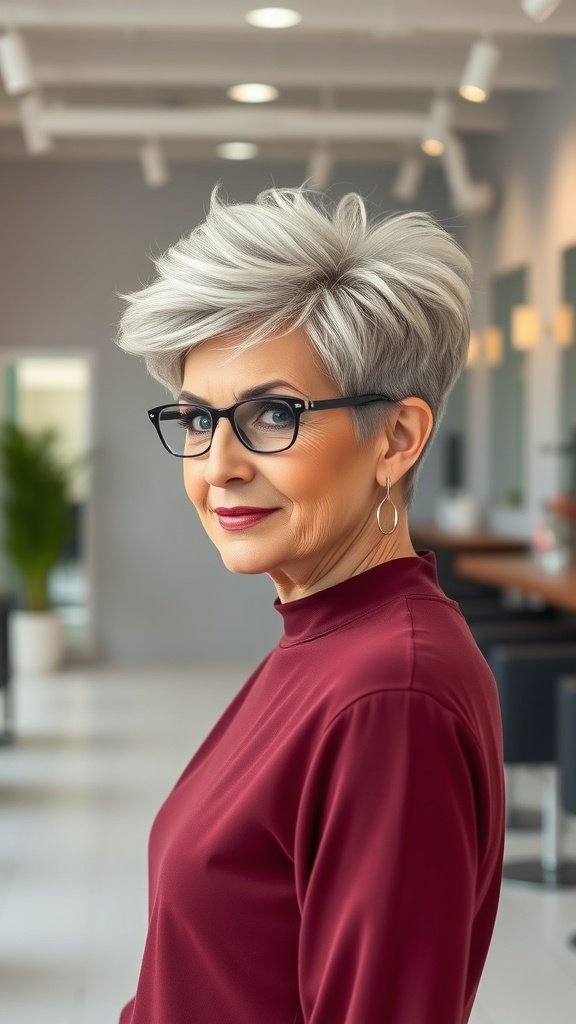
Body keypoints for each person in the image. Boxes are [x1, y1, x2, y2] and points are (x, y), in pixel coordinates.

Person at [116, 183, 505, 1024]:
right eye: (195, 419)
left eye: (271, 414)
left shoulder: (387, 695)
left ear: (396, 439)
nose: (217, 463)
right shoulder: (328, 641)